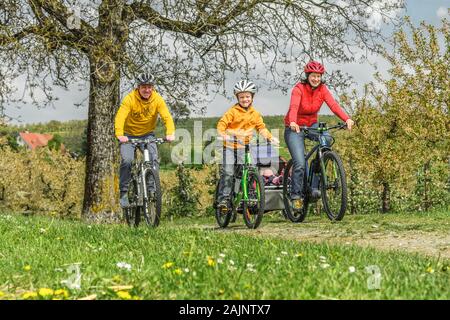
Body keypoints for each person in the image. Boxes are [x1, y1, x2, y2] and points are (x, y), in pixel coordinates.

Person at [284, 61, 354, 209]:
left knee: (327, 138)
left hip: (312, 125)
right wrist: (292, 122)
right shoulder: (299, 89)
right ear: (308, 76)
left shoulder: (322, 90)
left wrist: (346, 118)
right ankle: (296, 196)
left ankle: (315, 184)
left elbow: (333, 105)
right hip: (294, 127)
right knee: (300, 163)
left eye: (318, 76)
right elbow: (294, 107)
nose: (316, 79)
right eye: (313, 76)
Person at [216, 79, 279, 211]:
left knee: (248, 171)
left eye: (247, 96)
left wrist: (270, 137)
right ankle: (224, 200)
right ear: (237, 97)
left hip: (245, 147)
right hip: (230, 146)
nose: (245, 99)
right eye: (242, 97)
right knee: (228, 172)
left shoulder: (254, 114)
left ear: (252, 97)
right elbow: (222, 124)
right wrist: (223, 135)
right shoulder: (232, 112)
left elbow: (261, 128)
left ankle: (246, 197)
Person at [115, 72, 175, 207]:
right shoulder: (130, 99)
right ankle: (124, 192)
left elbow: (167, 117)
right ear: (138, 87)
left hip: (147, 134)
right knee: (127, 161)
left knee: (153, 160)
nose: (147, 90)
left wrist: (170, 133)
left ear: (153, 87)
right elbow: (120, 117)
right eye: (144, 87)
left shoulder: (157, 99)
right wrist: (120, 134)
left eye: (149, 87)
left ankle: (152, 190)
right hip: (128, 135)